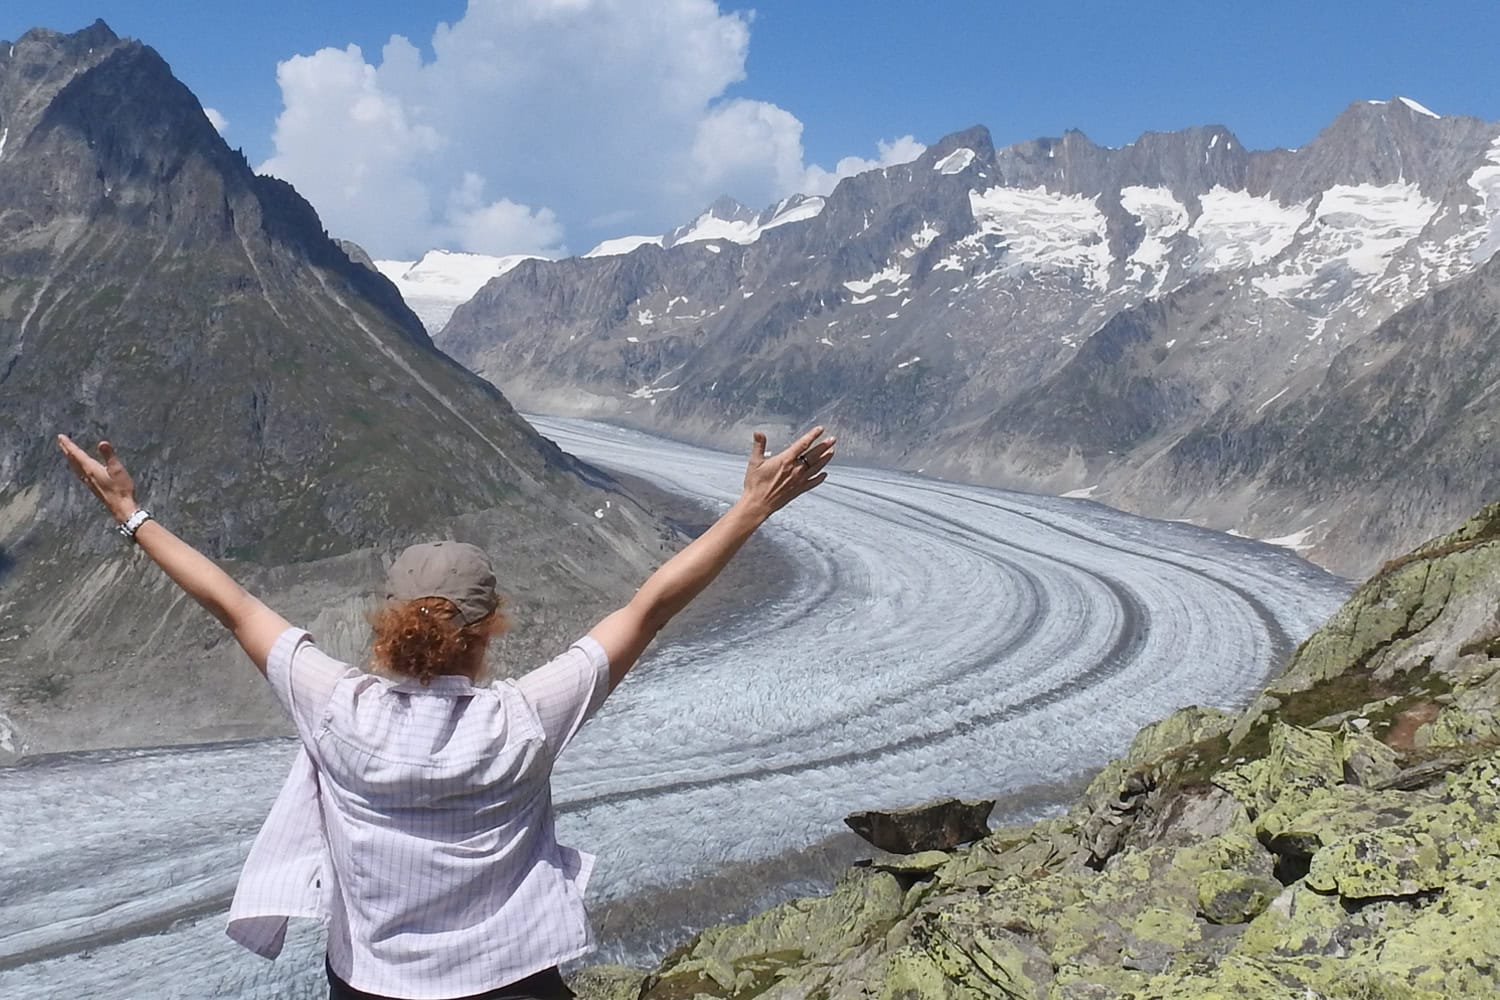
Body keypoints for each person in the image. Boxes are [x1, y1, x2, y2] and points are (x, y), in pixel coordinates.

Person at [56, 425, 835, 1000]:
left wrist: (130, 513)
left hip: (372, 987)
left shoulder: (335, 706)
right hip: (514, 982)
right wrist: (752, 507)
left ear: (386, 623)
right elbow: (650, 607)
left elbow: (231, 604)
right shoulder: (525, 718)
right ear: (489, 627)